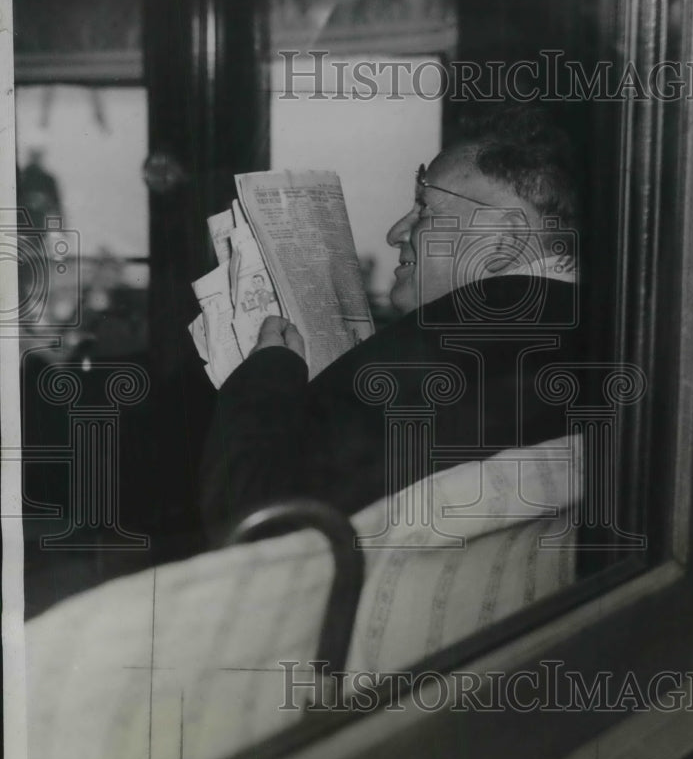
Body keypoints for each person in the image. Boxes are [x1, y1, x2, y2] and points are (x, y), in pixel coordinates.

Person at [201, 105, 584, 545]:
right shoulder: (584, 328)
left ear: (504, 238)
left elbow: (251, 520)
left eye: (423, 208)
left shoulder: (449, 337)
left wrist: (264, 374)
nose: (395, 232)